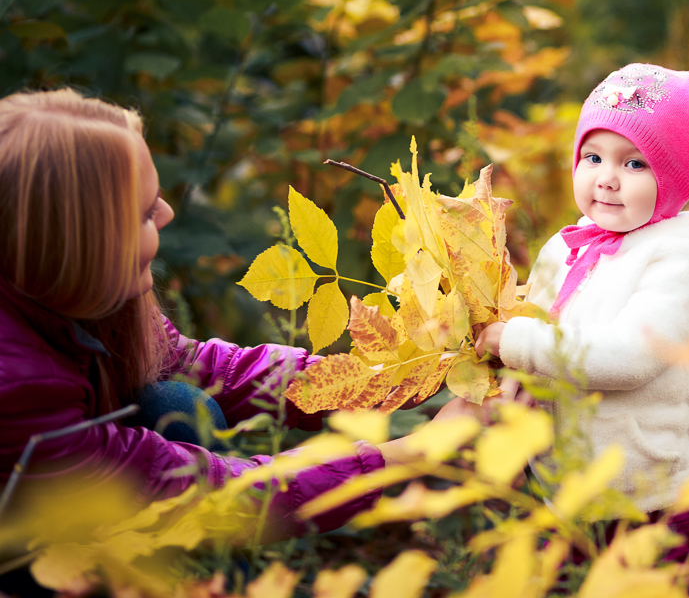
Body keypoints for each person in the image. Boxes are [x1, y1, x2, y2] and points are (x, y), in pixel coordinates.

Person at [0, 88, 474, 546]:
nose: (166, 213)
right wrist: (414, 452)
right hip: (29, 550)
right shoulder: (16, 384)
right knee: (178, 415)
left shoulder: (77, 296)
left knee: (176, 401)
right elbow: (213, 496)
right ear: (79, 247)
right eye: (144, 213)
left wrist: (404, 372)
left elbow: (217, 371)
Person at [474, 63, 689, 592]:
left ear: (675, 178)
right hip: (568, 493)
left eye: (635, 163)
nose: (606, 177)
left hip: (654, 500)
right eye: (593, 157)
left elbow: (626, 359)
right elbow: (538, 330)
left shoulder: (681, 261)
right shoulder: (568, 247)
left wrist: (518, 344)